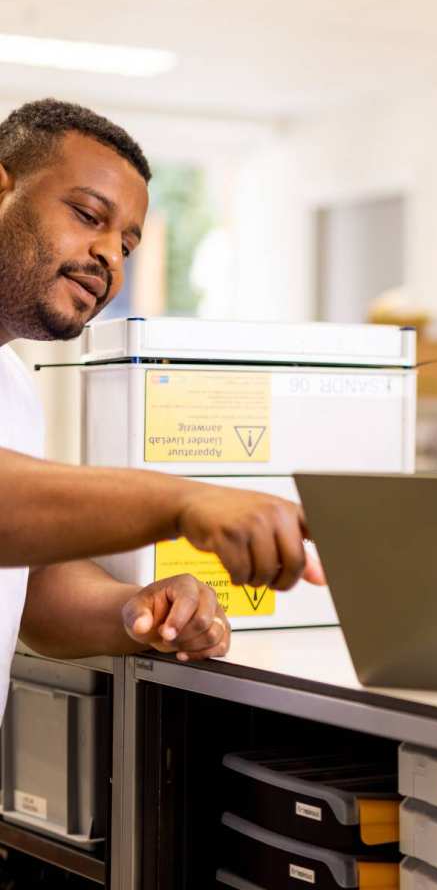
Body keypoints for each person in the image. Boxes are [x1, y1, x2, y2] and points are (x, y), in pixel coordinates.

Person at [0, 99, 324, 721]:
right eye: (89, 215)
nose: (111, 258)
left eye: (127, 243)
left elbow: (32, 585)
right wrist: (182, 501)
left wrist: (140, 610)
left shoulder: (13, 387)